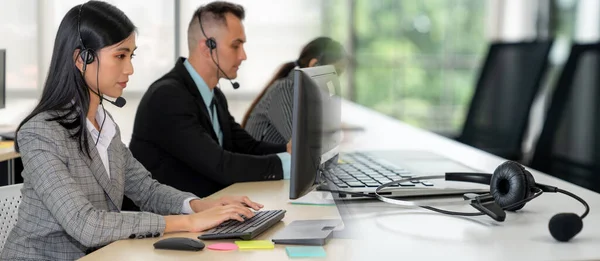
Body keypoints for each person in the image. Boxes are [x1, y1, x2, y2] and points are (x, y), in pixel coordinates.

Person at [1, 2, 263, 260]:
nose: (130, 69)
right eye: (120, 56)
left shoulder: (105, 126)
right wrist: (187, 223)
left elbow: (146, 190)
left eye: (131, 56)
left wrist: (196, 205)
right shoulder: (40, 133)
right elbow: (85, 225)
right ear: (83, 59)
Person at [129, 1, 291, 200]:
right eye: (235, 45)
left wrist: (289, 150)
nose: (243, 56)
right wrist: (289, 164)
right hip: (166, 223)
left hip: (204, 212)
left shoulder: (214, 95)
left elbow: (247, 147)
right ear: (208, 47)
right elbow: (220, 165)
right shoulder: (168, 97)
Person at [242, 37, 347, 144]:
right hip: (264, 160)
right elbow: (300, 144)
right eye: (336, 72)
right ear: (314, 65)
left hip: (279, 159)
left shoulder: (305, 93)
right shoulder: (285, 89)